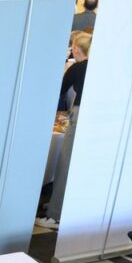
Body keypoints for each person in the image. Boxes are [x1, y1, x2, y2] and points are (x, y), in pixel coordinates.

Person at [37, 33, 91, 228]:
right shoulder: (100, 65)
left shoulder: (77, 67)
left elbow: (57, 91)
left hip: (79, 113)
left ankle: (55, 215)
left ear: (76, 49)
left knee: (65, 164)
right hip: (96, 117)